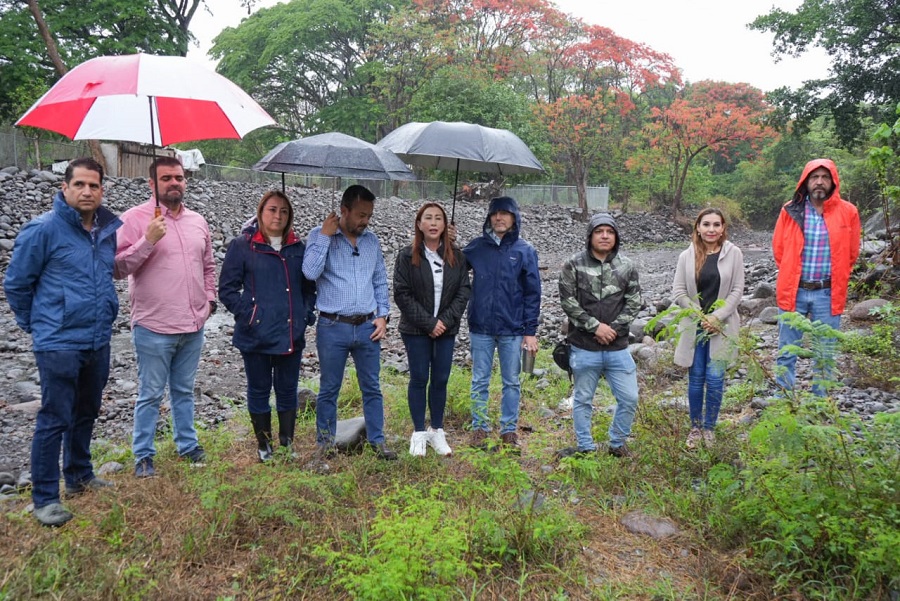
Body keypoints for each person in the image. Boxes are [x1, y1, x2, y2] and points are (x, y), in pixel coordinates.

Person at [4, 158, 121, 526]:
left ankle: (79, 475)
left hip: (97, 338)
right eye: (80, 185)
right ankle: (44, 497)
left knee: (86, 411)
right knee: (54, 417)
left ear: (102, 190)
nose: (87, 191)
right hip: (57, 342)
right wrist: (37, 326)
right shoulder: (42, 230)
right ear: (64, 188)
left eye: (94, 186)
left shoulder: (106, 231)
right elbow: (17, 284)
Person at [116, 157, 217, 477]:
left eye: (179, 177)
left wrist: (210, 302)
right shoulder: (133, 220)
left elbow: (209, 266)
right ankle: (143, 454)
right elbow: (117, 267)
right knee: (149, 394)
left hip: (193, 324)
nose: (174, 183)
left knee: (184, 390)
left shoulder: (198, 221)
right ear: (152, 184)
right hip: (154, 326)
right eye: (166, 178)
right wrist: (148, 240)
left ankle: (187, 444)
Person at [218, 191, 317, 462]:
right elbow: (227, 289)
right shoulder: (243, 246)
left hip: (290, 333)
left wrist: (305, 314)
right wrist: (250, 316)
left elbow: (309, 287)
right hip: (255, 335)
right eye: (272, 210)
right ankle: (264, 446)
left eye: (284, 211)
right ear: (261, 212)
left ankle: (287, 444)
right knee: (259, 389)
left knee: (287, 390)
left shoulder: (299, 248)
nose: (278, 216)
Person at [302, 185, 397, 460]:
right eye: (360, 215)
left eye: (369, 215)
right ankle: (325, 444)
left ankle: (377, 442)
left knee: (372, 387)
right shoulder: (320, 237)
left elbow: (379, 280)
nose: (365, 221)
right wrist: (324, 236)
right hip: (333, 327)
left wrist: (383, 316)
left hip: (368, 327)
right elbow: (309, 273)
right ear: (344, 210)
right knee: (329, 387)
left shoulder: (372, 242)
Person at [773, 159, 861, 396]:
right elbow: (779, 251)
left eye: (824, 177)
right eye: (814, 177)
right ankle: (783, 398)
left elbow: (852, 253)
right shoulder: (790, 210)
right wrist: (792, 275)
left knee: (825, 352)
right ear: (806, 181)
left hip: (827, 292)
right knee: (787, 349)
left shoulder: (849, 212)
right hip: (794, 290)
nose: (819, 182)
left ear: (833, 181)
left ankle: (820, 403)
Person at [557, 213, 642, 458]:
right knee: (583, 399)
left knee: (629, 398)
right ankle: (585, 447)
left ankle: (617, 443)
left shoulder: (627, 266)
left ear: (616, 237)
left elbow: (634, 301)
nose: (605, 236)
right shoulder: (573, 264)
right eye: (599, 231)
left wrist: (612, 329)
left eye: (610, 232)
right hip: (584, 346)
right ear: (590, 236)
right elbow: (568, 301)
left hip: (618, 348)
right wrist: (595, 327)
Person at [463, 196, 541, 451]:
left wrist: (530, 332)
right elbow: (453, 268)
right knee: (480, 380)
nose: (499, 218)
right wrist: (448, 242)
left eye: (505, 213)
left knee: (511, 381)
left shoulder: (524, 251)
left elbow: (532, 293)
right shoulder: (475, 248)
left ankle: (508, 430)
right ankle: (480, 428)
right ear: (488, 218)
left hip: (512, 328)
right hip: (481, 326)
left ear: (514, 218)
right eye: (495, 213)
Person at [393, 202, 471, 457]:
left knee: (440, 379)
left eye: (439, 218)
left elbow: (463, 291)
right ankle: (418, 433)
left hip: (445, 330)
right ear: (419, 224)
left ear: (446, 225)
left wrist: (444, 322)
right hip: (416, 329)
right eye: (428, 218)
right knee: (418, 378)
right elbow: (402, 294)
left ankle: (436, 430)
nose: (434, 223)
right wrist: (428, 322)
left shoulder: (457, 257)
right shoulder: (406, 256)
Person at [672, 208, 745, 448]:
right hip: (696, 326)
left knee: (714, 379)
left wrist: (717, 317)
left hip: (721, 327)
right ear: (698, 228)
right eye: (706, 224)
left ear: (723, 228)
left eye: (716, 225)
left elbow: (737, 290)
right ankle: (695, 428)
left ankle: (709, 428)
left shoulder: (734, 254)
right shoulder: (686, 256)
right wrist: (700, 315)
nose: (711, 229)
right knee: (696, 378)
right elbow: (679, 292)